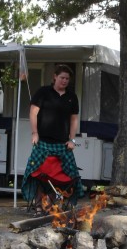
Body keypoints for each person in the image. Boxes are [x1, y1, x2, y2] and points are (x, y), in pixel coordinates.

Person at [22, 64, 85, 209]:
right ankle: (38, 204)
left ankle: (49, 204)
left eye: (67, 79)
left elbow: (74, 119)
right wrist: (35, 133)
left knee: (64, 175)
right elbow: (33, 113)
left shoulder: (72, 97)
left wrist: (72, 139)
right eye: (62, 77)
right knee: (37, 174)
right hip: (43, 142)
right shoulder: (43, 92)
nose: (64, 81)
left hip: (62, 144)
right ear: (55, 77)